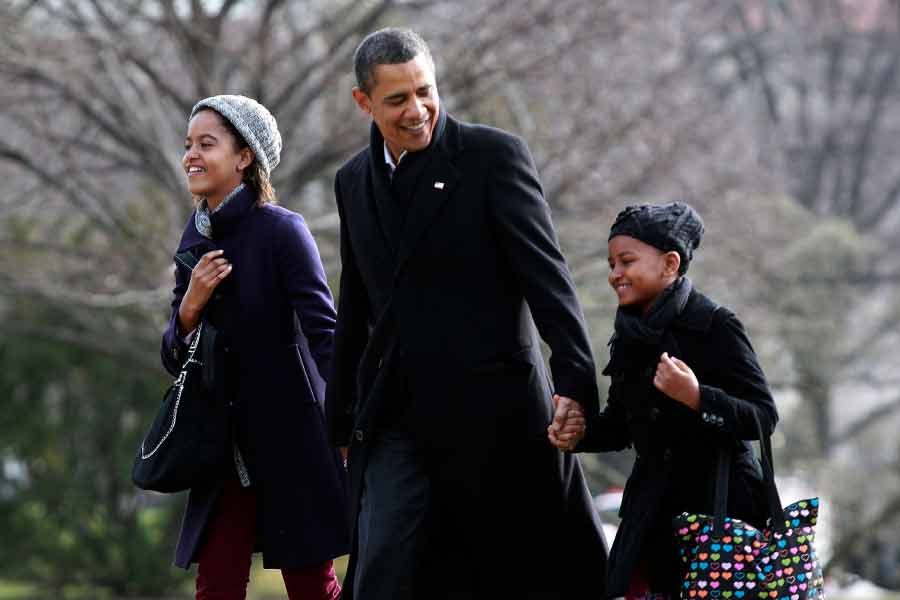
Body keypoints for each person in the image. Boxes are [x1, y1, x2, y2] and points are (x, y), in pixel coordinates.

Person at [325, 27, 607, 600]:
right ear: (364, 102)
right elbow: (357, 304)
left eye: (424, 91)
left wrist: (575, 383)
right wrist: (340, 416)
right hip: (398, 418)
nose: (418, 110)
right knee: (381, 571)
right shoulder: (352, 181)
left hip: (498, 414)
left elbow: (548, 280)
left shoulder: (491, 157)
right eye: (397, 99)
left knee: (510, 573)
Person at [160, 94, 349, 600]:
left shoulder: (284, 231)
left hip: (293, 437)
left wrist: (349, 420)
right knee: (216, 587)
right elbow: (174, 356)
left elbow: (325, 334)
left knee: (312, 585)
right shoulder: (194, 238)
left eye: (206, 143)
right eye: (188, 145)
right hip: (222, 447)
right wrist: (190, 306)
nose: (190, 156)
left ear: (245, 157)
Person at [549, 202, 779, 599]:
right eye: (611, 264)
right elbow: (622, 425)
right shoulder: (628, 334)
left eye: (626, 261)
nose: (614, 274)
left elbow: (762, 417)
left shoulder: (715, 325)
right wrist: (579, 434)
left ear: (670, 264)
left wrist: (696, 397)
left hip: (720, 521)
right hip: (651, 520)